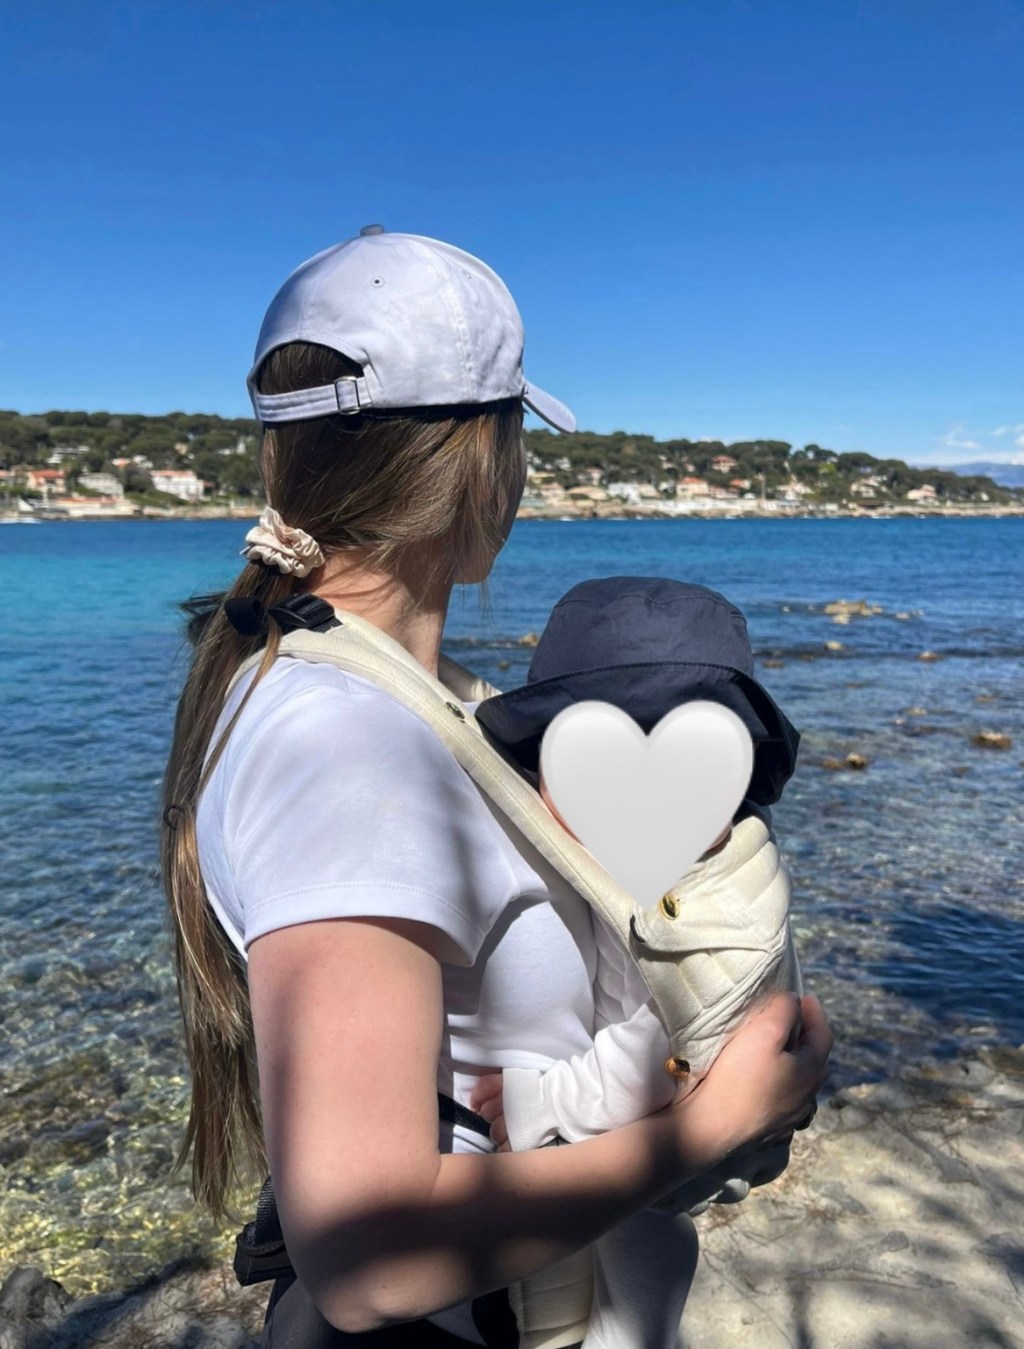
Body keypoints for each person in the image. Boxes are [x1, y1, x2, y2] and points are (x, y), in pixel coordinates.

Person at [161, 226, 832, 1349]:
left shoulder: (382, 693)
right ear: (483, 460)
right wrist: (713, 1124)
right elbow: (366, 1259)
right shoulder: (348, 748)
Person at [466, 576, 804, 1348]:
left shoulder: (726, 921)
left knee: (631, 1280)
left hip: (671, 1144)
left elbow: (658, 1055)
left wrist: (540, 1103)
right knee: (555, 1278)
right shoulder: (642, 862)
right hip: (637, 1131)